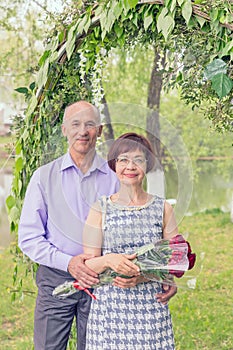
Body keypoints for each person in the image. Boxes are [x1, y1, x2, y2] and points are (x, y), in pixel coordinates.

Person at [18, 101, 176, 350]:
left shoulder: (118, 176)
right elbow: (29, 238)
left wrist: (161, 274)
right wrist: (68, 263)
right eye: (76, 124)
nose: (83, 131)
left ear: (99, 131)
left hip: (104, 283)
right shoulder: (43, 177)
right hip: (56, 278)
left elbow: (139, 229)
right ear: (64, 129)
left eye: (90, 124)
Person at [82, 132, 178, 349]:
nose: (130, 166)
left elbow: (174, 261)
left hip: (150, 306)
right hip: (109, 309)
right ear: (115, 165)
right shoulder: (100, 208)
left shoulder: (163, 208)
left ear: (147, 165)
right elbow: (89, 264)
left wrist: (143, 276)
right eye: (123, 159)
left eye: (138, 160)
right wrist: (110, 260)